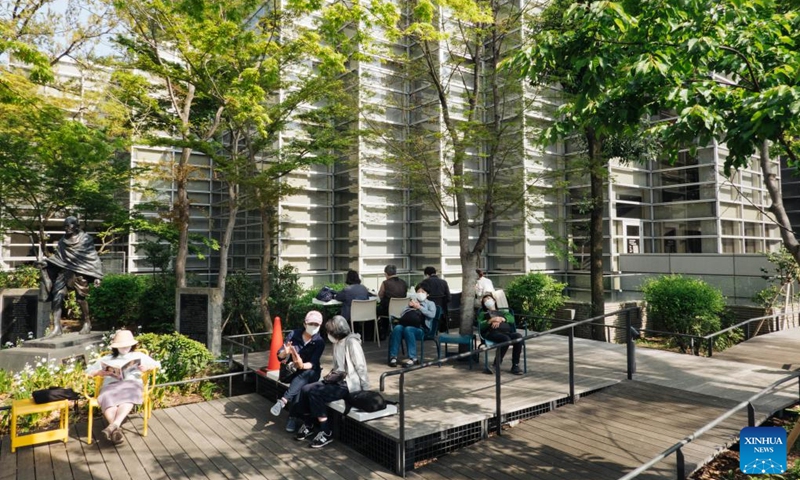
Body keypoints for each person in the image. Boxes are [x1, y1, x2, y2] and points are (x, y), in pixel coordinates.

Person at [292, 315, 369, 448]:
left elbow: (360, 366)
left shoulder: (351, 342)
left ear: (337, 331)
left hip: (348, 384)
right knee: (305, 389)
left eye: (330, 332)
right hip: (336, 379)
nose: (328, 335)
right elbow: (337, 366)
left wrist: (364, 388)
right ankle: (309, 423)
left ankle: (326, 431)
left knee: (316, 393)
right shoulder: (337, 342)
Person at [86, 329, 161, 445]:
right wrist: (99, 372)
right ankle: (115, 427)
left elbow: (156, 364)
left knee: (129, 396)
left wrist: (147, 367)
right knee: (106, 396)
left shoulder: (138, 355)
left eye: (127, 346)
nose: (125, 349)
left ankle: (114, 425)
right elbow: (88, 371)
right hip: (111, 385)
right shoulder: (107, 358)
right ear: (115, 347)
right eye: (122, 346)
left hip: (131, 384)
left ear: (132, 345)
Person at [39, 216, 104, 337]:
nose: (66, 228)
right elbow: (58, 258)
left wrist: (97, 277)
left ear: (76, 225)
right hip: (64, 273)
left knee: (80, 299)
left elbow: (93, 257)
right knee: (57, 297)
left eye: (68, 225)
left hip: (80, 273)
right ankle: (57, 327)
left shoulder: (86, 239)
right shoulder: (62, 241)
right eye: (64, 226)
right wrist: (46, 262)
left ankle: (87, 322)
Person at [270, 310, 326, 433]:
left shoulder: (319, 342)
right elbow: (280, 356)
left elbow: (312, 363)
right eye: (311, 324)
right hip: (292, 371)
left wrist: (301, 364)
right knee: (300, 382)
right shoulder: (293, 335)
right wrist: (285, 352)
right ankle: (291, 414)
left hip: (311, 371)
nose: (313, 327)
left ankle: (285, 405)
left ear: (320, 326)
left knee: (304, 376)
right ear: (305, 324)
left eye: (316, 325)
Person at [387, 287, 436, 367]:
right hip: (406, 325)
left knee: (408, 329)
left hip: (421, 329)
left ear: (427, 294)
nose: (420, 293)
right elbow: (402, 314)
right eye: (418, 291)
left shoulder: (430, 304)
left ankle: (413, 358)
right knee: (397, 328)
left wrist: (419, 307)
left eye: (423, 292)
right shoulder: (412, 302)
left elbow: (432, 315)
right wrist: (410, 307)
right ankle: (393, 357)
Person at [478, 293, 523, 375]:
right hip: (492, 333)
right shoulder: (483, 314)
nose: (487, 301)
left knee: (518, 337)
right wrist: (490, 320)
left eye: (489, 298)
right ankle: (496, 365)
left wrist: (501, 318)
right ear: (484, 304)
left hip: (506, 332)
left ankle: (515, 365)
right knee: (506, 339)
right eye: (485, 301)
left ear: (494, 300)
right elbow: (480, 325)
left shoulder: (503, 312)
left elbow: (511, 319)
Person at [376, 264, 408, 337]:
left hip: (388, 310)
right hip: (402, 310)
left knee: (376, 310)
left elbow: (380, 295)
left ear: (386, 274)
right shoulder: (403, 282)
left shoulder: (385, 283)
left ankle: (380, 333)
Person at [417, 266, 450, 332]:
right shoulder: (444, 282)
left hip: (428, 310)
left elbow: (419, 295)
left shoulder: (424, 282)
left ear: (426, 275)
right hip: (441, 309)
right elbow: (449, 297)